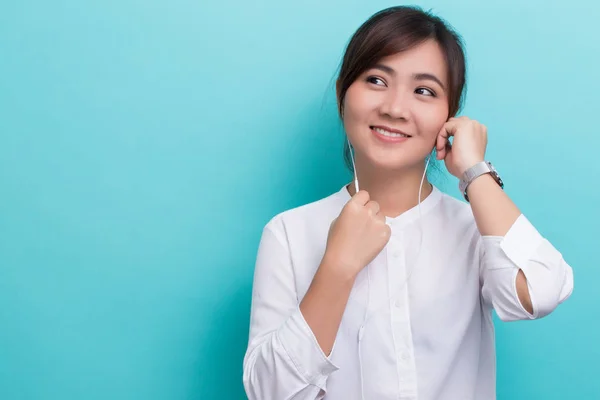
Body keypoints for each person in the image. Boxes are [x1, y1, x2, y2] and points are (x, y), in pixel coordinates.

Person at [242, 5, 574, 400]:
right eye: (376, 80)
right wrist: (337, 268)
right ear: (342, 95)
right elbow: (268, 392)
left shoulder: (476, 229)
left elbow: (539, 292)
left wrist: (475, 173)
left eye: (424, 91)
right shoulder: (289, 234)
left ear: (448, 118)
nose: (395, 108)